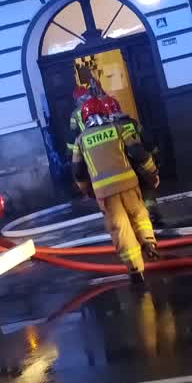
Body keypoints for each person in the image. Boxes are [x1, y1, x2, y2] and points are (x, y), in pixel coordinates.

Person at [71, 96, 161, 282]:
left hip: (105, 193)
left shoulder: (80, 141)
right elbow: (138, 152)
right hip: (129, 184)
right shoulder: (119, 129)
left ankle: (136, 269)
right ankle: (148, 242)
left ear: (85, 118)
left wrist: (86, 190)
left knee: (121, 228)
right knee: (139, 215)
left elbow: (78, 172)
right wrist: (153, 172)